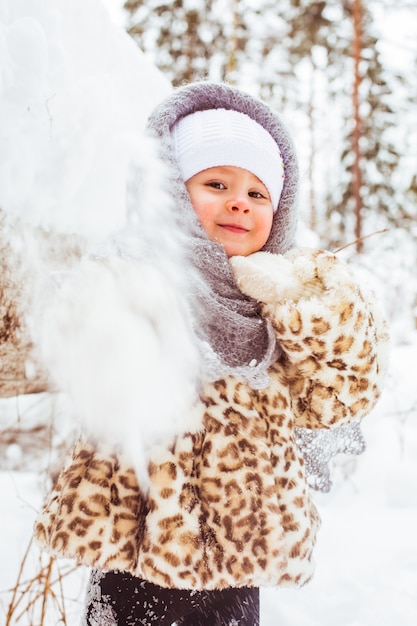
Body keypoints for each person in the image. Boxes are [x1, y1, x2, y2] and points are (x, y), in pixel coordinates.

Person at [33, 82, 389, 625]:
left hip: (238, 564)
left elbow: (345, 390)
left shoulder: (279, 305)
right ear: (171, 192)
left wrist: (305, 303)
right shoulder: (136, 274)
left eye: (258, 192)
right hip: (138, 560)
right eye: (216, 183)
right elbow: (86, 341)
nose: (239, 201)